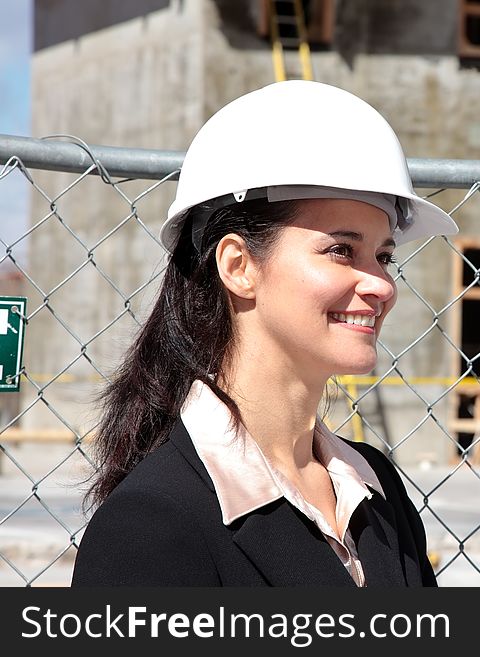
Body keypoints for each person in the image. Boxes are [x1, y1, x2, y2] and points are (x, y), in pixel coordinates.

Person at [71, 81, 458, 586]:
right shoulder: (151, 524)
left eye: (384, 257)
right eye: (342, 250)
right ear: (238, 265)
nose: (382, 285)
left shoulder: (377, 487)